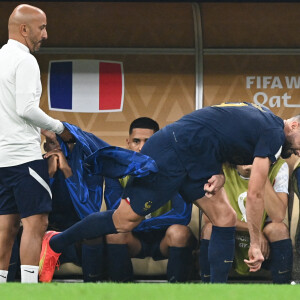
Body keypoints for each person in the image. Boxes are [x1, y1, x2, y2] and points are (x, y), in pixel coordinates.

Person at [39, 102, 300, 283]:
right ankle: (54, 243)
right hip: (173, 152)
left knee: (224, 217)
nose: (298, 153)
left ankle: (217, 293)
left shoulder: (265, 118)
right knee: (123, 221)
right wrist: (255, 242)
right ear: (296, 127)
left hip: (197, 156)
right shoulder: (274, 134)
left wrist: (217, 169)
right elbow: (255, 195)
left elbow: (218, 128)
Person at [0, 4, 72, 283]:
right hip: (23, 158)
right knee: (37, 223)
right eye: (42, 28)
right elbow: (26, 108)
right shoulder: (25, 60)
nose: (45, 34)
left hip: (3, 159)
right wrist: (58, 128)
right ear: (24, 29)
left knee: (5, 226)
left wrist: (42, 128)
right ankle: (30, 290)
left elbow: (10, 110)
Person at [104, 117, 196, 282]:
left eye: (148, 141)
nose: (141, 147)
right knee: (114, 233)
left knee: (179, 232)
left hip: (164, 238)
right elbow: (114, 213)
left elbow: (182, 215)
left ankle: (179, 294)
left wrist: (140, 223)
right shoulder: (116, 171)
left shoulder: (175, 170)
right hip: (133, 239)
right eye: (136, 141)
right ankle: (120, 292)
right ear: (128, 142)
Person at [200, 159, 293, 283]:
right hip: (230, 237)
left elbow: (278, 216)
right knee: (210, 229)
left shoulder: (279, 166)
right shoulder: (219, 166)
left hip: (265, 246)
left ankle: (283, 289)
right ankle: (209, 289)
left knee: (279, 229)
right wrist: (254, 231)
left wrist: (259, 173)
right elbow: (209, 218)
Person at [43, 130, 106, 282]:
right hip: (46, 228)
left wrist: (68, 172)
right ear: (46, 147)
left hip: (78, 229)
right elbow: (34, 209)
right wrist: (49, 175)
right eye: (54, 142)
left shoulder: (91, 167)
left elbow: (88, 212)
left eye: (69, 142)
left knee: (93, 233)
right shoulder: (37, 167)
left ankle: (93, 290)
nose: (61, 148)